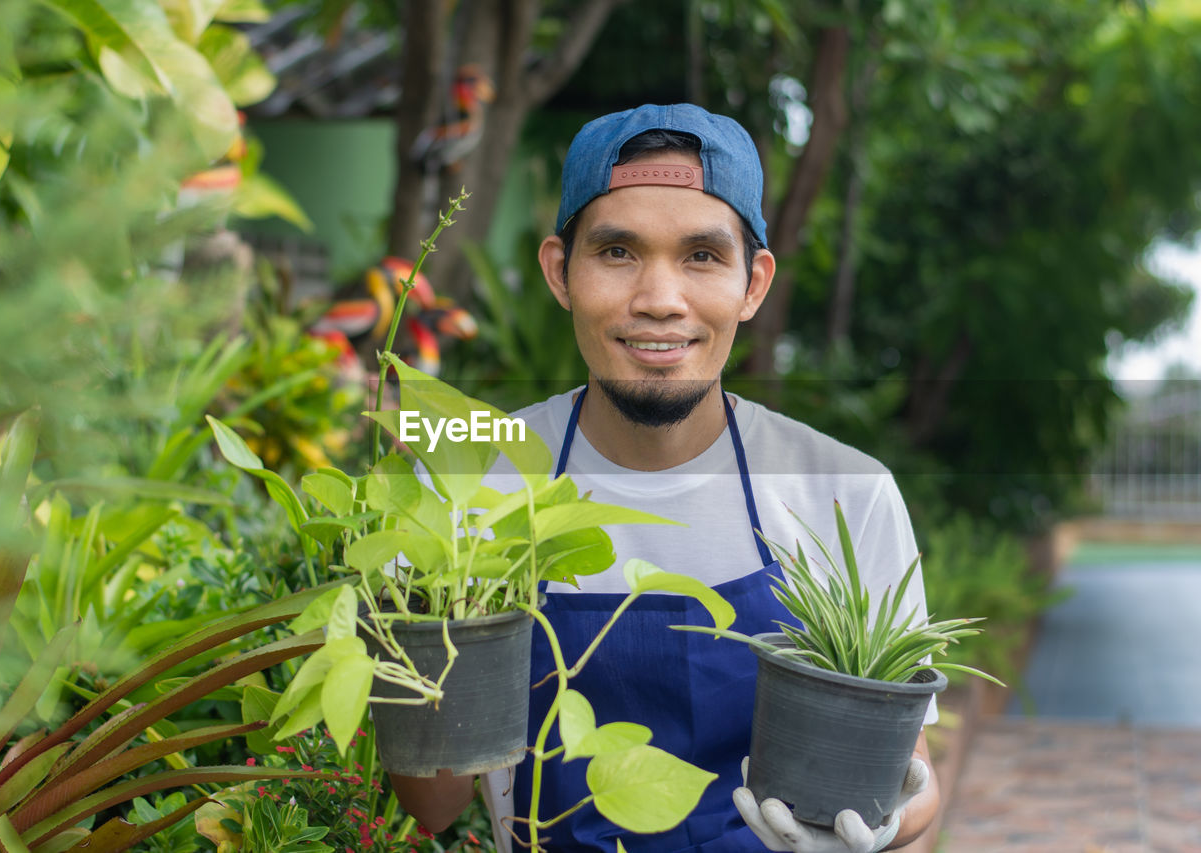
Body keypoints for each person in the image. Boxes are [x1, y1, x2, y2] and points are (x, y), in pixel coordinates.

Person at [391, 103, 939, 853]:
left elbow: (913, 777)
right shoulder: (467, 480)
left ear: (754, 283)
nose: (659, 298)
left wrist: (885, 821)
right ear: (560, 272)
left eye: (703, 256)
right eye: (617, 252)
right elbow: (434, 805)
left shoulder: (844, 492)